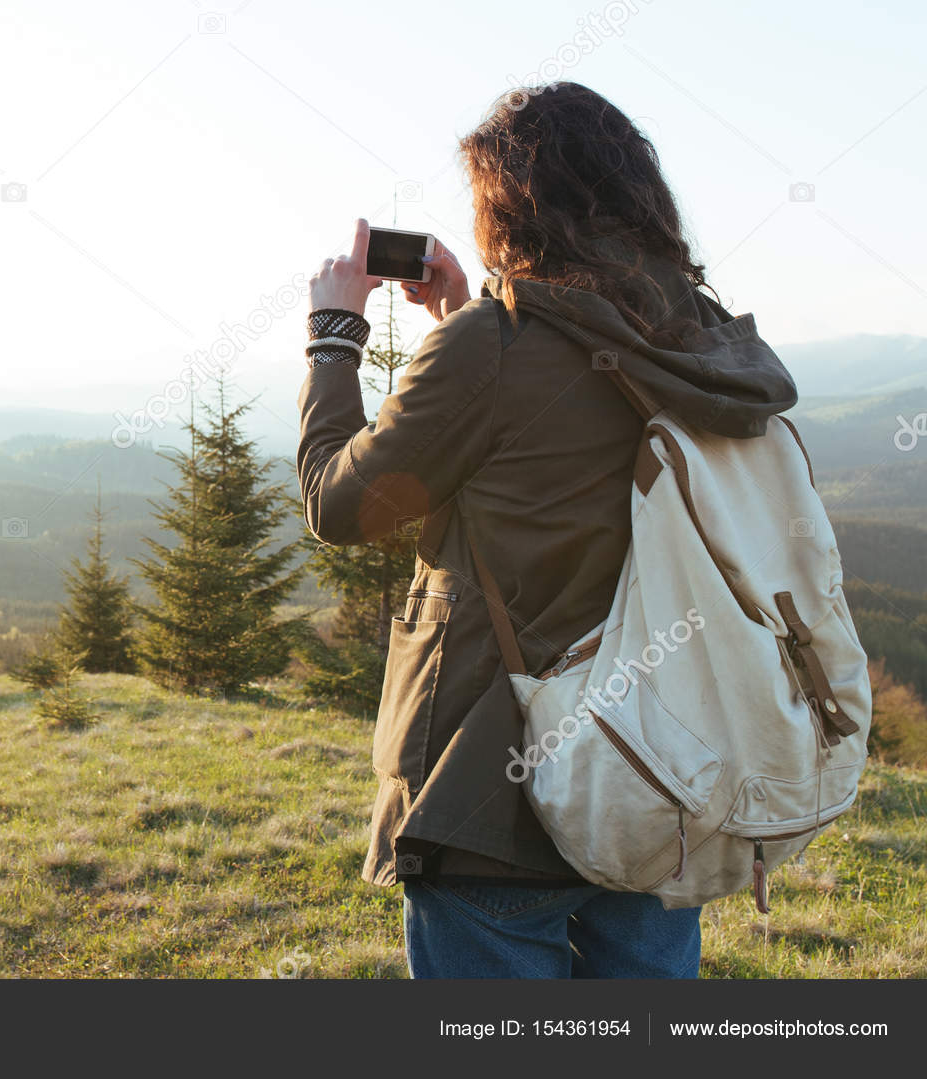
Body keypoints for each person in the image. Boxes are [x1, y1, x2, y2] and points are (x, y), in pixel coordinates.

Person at [296, 82, 798, 979]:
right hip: (657, 773)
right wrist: (463, 317)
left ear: (506, 209)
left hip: (492, 797)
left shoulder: (496, 346)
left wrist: (336, 339)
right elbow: (546, 441)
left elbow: (341, 505)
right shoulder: (695, 335)